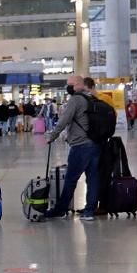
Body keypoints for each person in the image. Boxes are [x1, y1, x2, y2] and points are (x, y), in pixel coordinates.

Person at [44, 75, 103, 221]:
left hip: (80, 145)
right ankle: (89, 211)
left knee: (71, 178)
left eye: (69, 84)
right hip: (95, 143)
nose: (67, 86)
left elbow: (64, 120)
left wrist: (52, 136)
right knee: (93, 178)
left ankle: (60, 209)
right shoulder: (92, 98)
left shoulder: (76, 99)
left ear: (77, 84)